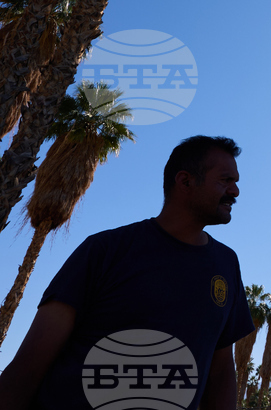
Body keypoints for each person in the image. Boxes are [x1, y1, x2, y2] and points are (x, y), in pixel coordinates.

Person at [0, 135, 255, 410]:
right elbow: (30, 364)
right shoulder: (106, 250)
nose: (235, 191)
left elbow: (220, 372)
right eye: (225, 180)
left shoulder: (226, 264)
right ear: (185, 181)